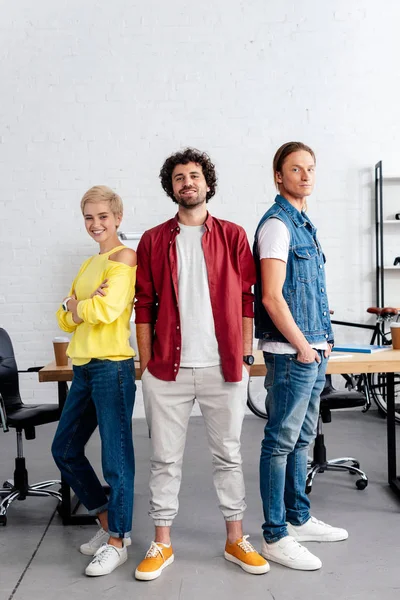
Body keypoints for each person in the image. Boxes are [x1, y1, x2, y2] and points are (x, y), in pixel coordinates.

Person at [134, 147, 269, 580]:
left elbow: (248, 299)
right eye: (178, 178)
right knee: (164, 459)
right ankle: (162, 543)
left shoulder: (232, 235)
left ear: (207, 183)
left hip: (223, 366)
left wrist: (246, 355)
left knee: (229, 455)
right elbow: (143, 305)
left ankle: (235, 539)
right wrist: (145, 362)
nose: (187, 182)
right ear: (170, 188)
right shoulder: (154, 240)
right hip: (166, 370)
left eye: (194, 175)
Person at [253, 142, 348, 571]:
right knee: (279, 441)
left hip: (313, 348)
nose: (305, 175)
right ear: (279, 176)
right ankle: (274, 535)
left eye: (310, 168)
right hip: (293, 353)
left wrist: (319, 343)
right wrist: (304, 346)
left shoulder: (304, 223)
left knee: (302, 439)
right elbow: (272, 297)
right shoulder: (277, 225)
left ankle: (298, 517)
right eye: (296, 169)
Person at [51, 186, 137, 577]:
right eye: (89, 217)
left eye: (103, 216)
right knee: (65, 448)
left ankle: (119, 539)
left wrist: (77, 306)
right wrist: (75, 309)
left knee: (116, 460)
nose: (96, 224)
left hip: (112, 367)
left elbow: (106, 308)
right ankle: (105, 520)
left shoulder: (124, 257)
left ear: (117, 217)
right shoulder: (91, 265)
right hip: (84, 366)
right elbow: (63, 316)